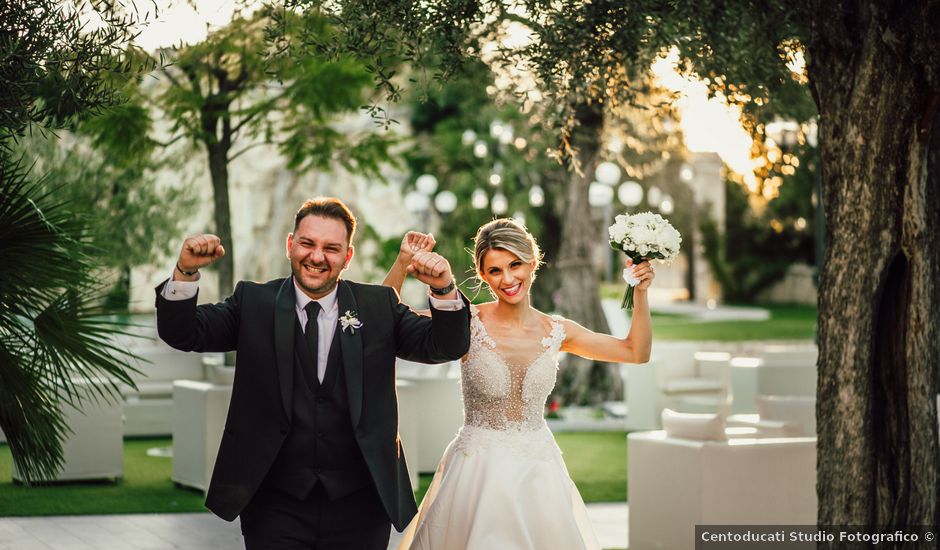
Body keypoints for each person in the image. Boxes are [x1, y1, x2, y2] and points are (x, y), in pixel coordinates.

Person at [155, 197, 471, 550]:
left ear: (347, 257)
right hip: (274, 503)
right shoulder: (253, 303)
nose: (317, 256)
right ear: (290, 245)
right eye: (307, 243)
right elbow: (182, 333)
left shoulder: (377, 306)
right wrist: (185, 272)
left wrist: (443, 289)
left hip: (361, 503)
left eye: (331, 248)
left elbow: (446, 346)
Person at [386, 218, 655, 550]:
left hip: (538, 473)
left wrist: (640, 293)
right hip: (475, 473)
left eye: (515, 264)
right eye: (495, 270)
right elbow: (386, 322)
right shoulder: (465, 321)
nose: (508, 278)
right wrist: (401, 263)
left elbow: (635, 351)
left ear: (533, 262)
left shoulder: (557, 330)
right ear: (483, 276)